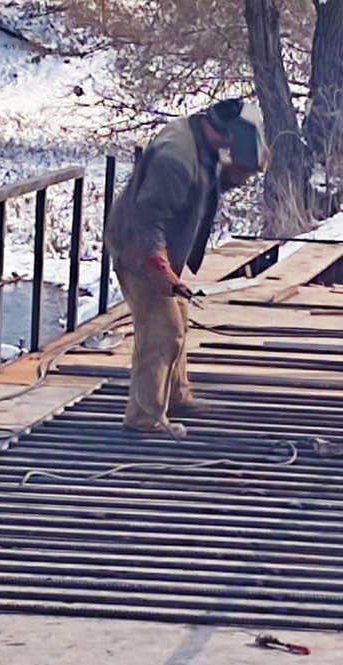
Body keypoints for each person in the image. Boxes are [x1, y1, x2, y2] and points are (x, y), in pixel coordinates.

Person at [104, 98, 269, 438]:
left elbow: (198, 185)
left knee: (177, 315)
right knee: (162, 329)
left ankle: (176, 396)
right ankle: (144, 419)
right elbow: (147, 221)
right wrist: (160, 269)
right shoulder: (175, 156)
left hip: (156, 244)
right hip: (139, 248)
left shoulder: (199, 139)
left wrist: (233, 176)